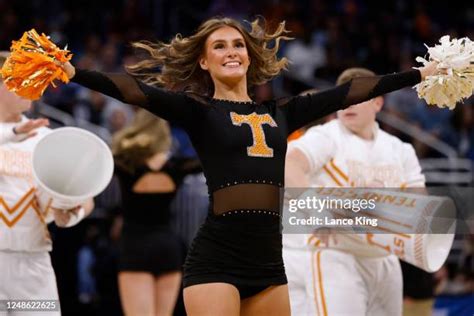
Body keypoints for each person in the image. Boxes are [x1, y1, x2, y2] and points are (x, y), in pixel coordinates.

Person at [51, 17, 437, 315]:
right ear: (204, 60)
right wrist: (75, 73)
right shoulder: (197, 111)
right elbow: (136, 91)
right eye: (219, 46)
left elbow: (350, 92)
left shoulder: (283, 112)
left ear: (249, 55)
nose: (231, 51)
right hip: (216, 257)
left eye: (238, 44)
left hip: (269, 261)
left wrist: (420, 74)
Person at [283, 67, 427, 316]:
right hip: (335, 253)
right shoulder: (325, 136)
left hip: (386, 258)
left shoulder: (400, 149)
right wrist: (319, 215)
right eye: (344, 98)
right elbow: (290, 164)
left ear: (378, 103)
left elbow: (420, 201)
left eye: (359, 97)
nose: (349, 104)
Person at [0, 52, 94, 315]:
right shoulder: (15, 133)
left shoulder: (45, 138)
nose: (30, 86)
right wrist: (12, 134)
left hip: (32, 263)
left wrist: (71, 213)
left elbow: (84, 195)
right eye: (19, 79)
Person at [111, 109, 200, 316]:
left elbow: (100, 157)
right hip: (168, 248)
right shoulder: (176, 166)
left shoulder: (126, 165)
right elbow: (206, 160)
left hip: (135, 247)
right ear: (164, 132)